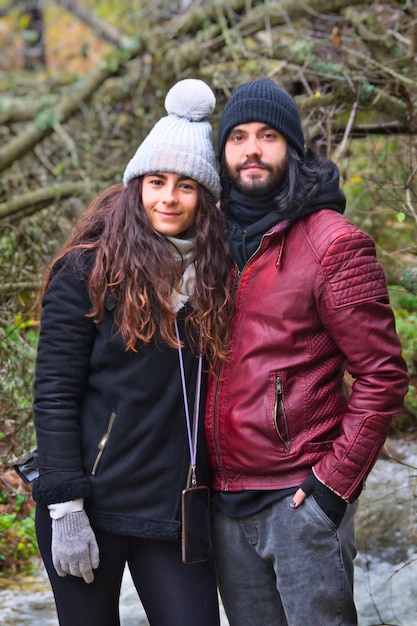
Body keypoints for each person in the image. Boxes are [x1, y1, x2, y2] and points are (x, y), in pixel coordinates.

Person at [204, 78, 409, 626]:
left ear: (291, 148)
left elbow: (383, 375)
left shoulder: (332, 243)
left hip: (299, 500)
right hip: (222, 503)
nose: (251, 149)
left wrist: (331, 488)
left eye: (267, 135)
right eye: (238, 137)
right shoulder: (206, 246)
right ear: (222, 153)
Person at [31, 78, 233, 626]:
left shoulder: (216, 276)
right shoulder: (87, 270)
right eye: (157, 181)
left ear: (206, 199)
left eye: (186, 186)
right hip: (88, 506)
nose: (168, 197)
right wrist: (65, 505)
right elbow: (53, 393)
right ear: (135, 186)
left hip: (173, 509)